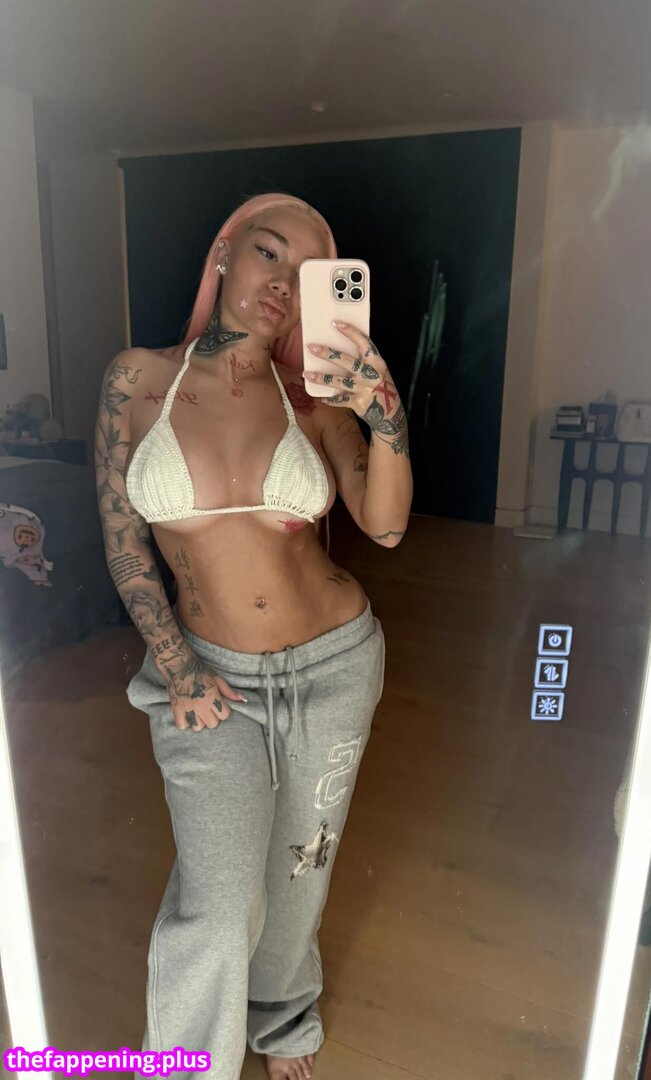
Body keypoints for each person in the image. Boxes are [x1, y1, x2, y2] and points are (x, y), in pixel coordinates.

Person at [94, 193, 413, 1080]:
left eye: (307, 274)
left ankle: (283, 1018)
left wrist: (384, 414)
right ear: (225, 251)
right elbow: (124, 541)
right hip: (209, 678)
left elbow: (385, 526)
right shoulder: (136, 381)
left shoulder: (313, 398)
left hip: (335, 664)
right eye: (270, 253)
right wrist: (177, 666)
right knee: (221, 894)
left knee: (301, 871)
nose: (283, 282)